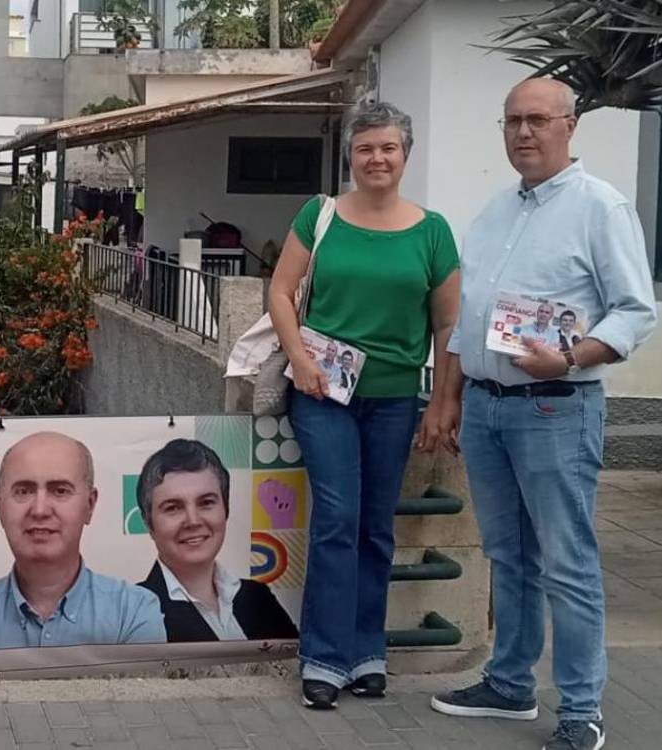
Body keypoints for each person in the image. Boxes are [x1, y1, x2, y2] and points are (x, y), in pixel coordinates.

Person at [425, 78, 656, 750]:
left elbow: (635, 310)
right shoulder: (495, 211)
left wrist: (571, 356)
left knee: (566, 563)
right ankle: (509, 683)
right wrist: (453, 400)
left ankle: (580, 708)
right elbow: (466, 320)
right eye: (511, 122)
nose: (522, 133)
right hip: (490, 412)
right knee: (508, 556)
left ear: (568, 126)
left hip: (555, 407)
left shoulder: (600, 209)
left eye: (536, 120)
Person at [266, 102, 460, 710]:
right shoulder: (319, 215)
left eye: (389, 148)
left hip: (396, 398)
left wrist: (441, 403)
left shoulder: (432, 231)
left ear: (406, 155)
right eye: (365, 148)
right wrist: (299, 357)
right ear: (350, 156)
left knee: (377, 527)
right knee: (335, 520)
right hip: (323, 394)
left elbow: (448, 325)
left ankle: (366, 653)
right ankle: (323, 658)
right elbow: (280, 290)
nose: (377, 158)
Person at [0, 432, 165, 651]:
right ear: (0, 506)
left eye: (60, 491)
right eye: (23, 491)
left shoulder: (133, 612)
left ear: (90, 505)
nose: (39, 510)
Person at [134, 439, 297, 642]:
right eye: (173, 507)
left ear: (225, 510)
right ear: (149, 523)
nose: (193, 521)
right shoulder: (134, 611)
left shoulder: (257, 598)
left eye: (206, 503)